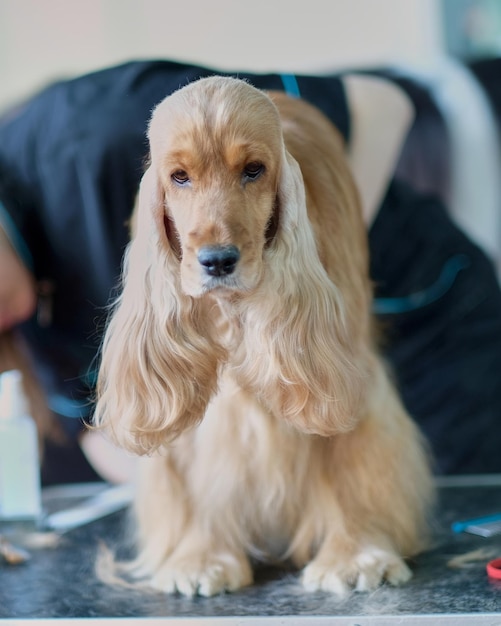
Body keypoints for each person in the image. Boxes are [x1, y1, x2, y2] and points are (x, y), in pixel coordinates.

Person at [0, 60, 500, 483]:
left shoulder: (99, 125)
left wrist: (307, 265)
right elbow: (101, 436)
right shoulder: (20, 311)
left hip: (427, 326)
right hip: (288, 422)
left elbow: (382, 105)